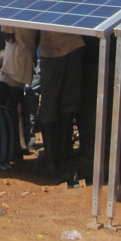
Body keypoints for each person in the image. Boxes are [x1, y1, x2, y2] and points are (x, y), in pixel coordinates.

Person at [37, 30, 84, 182]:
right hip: (57, 46)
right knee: (63, 106)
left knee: (58, 106)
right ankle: (58, 161)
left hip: (62, 46)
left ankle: (55, 161)